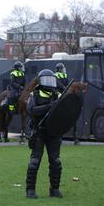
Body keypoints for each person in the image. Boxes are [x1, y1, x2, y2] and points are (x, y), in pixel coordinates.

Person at [25, 69, 63, 199]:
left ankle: (55, 189)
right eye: (46, 80)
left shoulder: (57, 95)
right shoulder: (34, 95)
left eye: (51, 80)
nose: (49, 83)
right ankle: (30, 189)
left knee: (56, 161)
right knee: (35, 161)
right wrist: (49, 106)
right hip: (39, 132)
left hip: (54, 133)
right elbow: (32, 111)